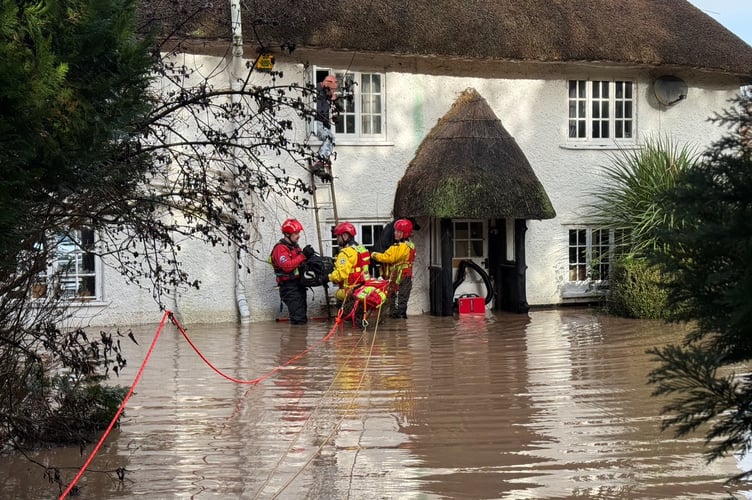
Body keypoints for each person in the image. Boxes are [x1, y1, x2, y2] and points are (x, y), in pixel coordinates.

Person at [270, 218, 316, 324]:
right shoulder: (280, 249)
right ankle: (296, 339)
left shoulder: (295, 247)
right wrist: (303, 255)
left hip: (298, 285)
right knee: (298, 320)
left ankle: (300, 339)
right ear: (287, 234)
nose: (298, 235)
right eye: (295, 233)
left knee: (302, 318)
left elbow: (299, 262)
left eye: (298, 233)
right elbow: (286, 266)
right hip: (289, 287)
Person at [370, 218, 416, 319]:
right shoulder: (408, 245)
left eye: (398, 232)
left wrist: (373, 254)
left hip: (400, 277)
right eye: (395, 231)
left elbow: (388, 258)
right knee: (397, 300)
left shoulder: (401, 247)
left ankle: (400, 323)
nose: (395, 233)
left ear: (405, 233)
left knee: (399, 301)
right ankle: (399, 324)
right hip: (401, 277)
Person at [327, 222, 371, 303]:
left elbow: (340, 275)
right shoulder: (361, 249)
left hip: (350, 291)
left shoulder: (345, 253)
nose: (337, 239)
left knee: (337, 294)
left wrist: (328, 277)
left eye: (338, 236)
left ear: (345, 236)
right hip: (363, 289)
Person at [312, 75, 338, 182]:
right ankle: (320, 162)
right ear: (327, 82)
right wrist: (328, 100)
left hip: (322, 123)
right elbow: (319, 111)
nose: (332, 90)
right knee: (329, 137)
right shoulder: (317, 91)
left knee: (331, 138)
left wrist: (330, 100)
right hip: (315, 122)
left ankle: (322, 160)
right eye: (331, 88)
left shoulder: (325, 93)